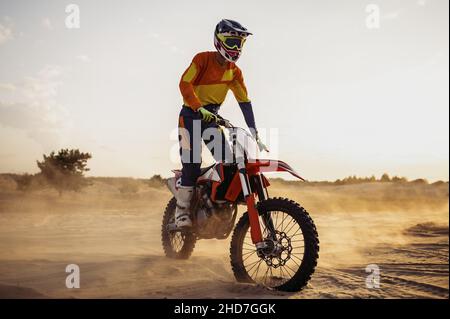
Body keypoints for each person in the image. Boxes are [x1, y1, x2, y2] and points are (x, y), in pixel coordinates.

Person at [172, 19, 268, 228]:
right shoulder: (202, 60)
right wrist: (198, 107)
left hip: (212, 119)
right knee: (191, 164)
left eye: (239, 44)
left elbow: (244, 101)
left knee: (228, 162)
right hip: (190, 117)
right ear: (219, 41)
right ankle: (181, 212)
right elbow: (184, 83)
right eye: (232, 42)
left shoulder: (235, 72)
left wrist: (254, 132)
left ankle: (217, 203)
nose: (236, 48)